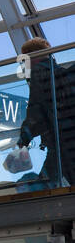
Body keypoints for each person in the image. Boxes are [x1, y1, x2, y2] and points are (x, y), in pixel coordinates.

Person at [18, 37, 75, 187]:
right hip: (66, 140)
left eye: (24, 60)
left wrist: (23, 139)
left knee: (44, 186)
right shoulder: (63, 75)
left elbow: (36, 111)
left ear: (31, 57)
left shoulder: (39, 74)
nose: (24, 65)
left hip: (62, 143)